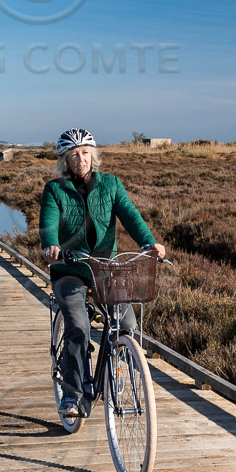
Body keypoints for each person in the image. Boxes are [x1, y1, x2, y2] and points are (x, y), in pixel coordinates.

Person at [40, 128, 166, 418]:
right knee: (79, 326)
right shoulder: (55, 190)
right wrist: (51, 246)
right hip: (69, 269)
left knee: (126, 324)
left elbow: (130, 215)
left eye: (85, 153)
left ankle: (116, 367)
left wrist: (149, 242)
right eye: (73, 155)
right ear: (65, 160)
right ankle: (71, 395)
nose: (80, 159)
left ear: (93, 156)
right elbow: (48, 222)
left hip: (105, 268)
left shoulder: (111, 185)